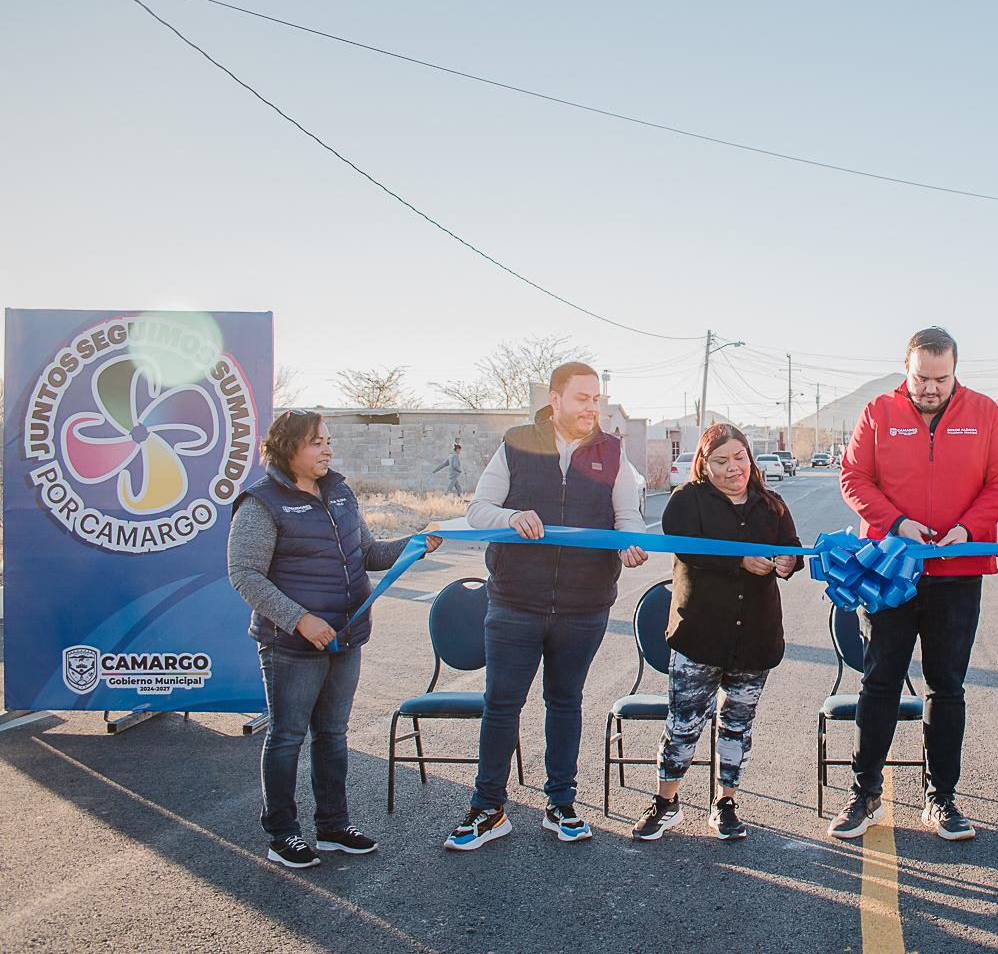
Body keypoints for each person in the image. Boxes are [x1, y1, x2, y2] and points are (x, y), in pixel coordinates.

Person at [445, 362, 648, 850]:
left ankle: (561, 804)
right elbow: (478, 510)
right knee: (501, 705)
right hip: (516, 601)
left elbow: (628, 517)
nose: (592, 408)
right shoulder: (517, 441)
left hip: (585, 605)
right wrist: (512, 517)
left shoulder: (613, 451)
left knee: (565, 702)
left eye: (596, 398)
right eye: (582, 398)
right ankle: (489, 808)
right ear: (555, 400)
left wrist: (629, 545)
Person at [228, 409, 441, 869]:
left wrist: (415, 542)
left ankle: (333, 826)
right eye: (315, 442)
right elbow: (244, 574)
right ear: (288, 449)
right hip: (292, 646)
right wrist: (300, 620)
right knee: (287, 737)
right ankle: (282, 833)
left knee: (332, 735)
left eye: (327, 440)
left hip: (346, 638)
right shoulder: (260, 503)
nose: (327, 449)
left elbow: (365, 553)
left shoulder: (340, 493)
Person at [830, 326, 998, 841]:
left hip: (957, 574)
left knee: (947, 687)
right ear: (905, 370)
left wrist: (968, 529)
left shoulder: (984, 413)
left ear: (955, 371)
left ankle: (942, 800)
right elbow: (853, 478)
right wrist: (895, 524)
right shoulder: (877, 413)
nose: (931, 388)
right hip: (890, 571)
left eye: (942, 378)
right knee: (880, 681)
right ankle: (864, 794)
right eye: (921, 378)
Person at [631, 424, 803, 842]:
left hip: (755, 640)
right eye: (721, 461)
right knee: (684, 724)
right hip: (700, 636)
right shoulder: (686, 501)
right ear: (704, 466)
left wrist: (786, 563)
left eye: (739, 458)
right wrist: (739, 562)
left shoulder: (772, 505)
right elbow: (687, 548)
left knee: (737, 726)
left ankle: (726, 803)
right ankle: (666, 803)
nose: (733, 469)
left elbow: (793, 548)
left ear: (751, 459)